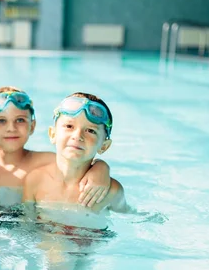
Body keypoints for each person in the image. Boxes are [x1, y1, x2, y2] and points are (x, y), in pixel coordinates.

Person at [0, 86, 111, 208]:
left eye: (20, 120)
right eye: (1, 121)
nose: (11, 128)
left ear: (32, 126)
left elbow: (76, 159)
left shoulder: (44, 161)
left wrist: (101, 169)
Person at [23, 93, 130, 231]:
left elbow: (129, 218)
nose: (77, 136)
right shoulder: (35, 180)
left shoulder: (111, 191)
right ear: (53, 134)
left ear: (104, 146)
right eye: (69, 126)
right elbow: (25, 226)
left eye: (90, 130)